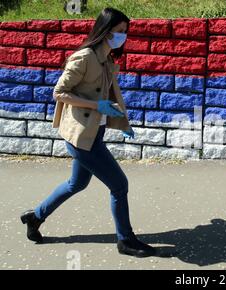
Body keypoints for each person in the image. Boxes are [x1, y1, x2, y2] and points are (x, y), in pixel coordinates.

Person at [20, 7, 156, 258]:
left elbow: (111, 94)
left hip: (95, 131)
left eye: (125, 32)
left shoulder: (106, 58)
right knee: (119, 185)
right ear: (105, 31)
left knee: (76, 183)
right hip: (82, 137)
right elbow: (59, 92)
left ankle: (35, 216)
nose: (122, 36)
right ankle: (125, 240)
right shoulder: (84, 57)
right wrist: (97, 106)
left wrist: (121, 121)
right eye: (118, 31)